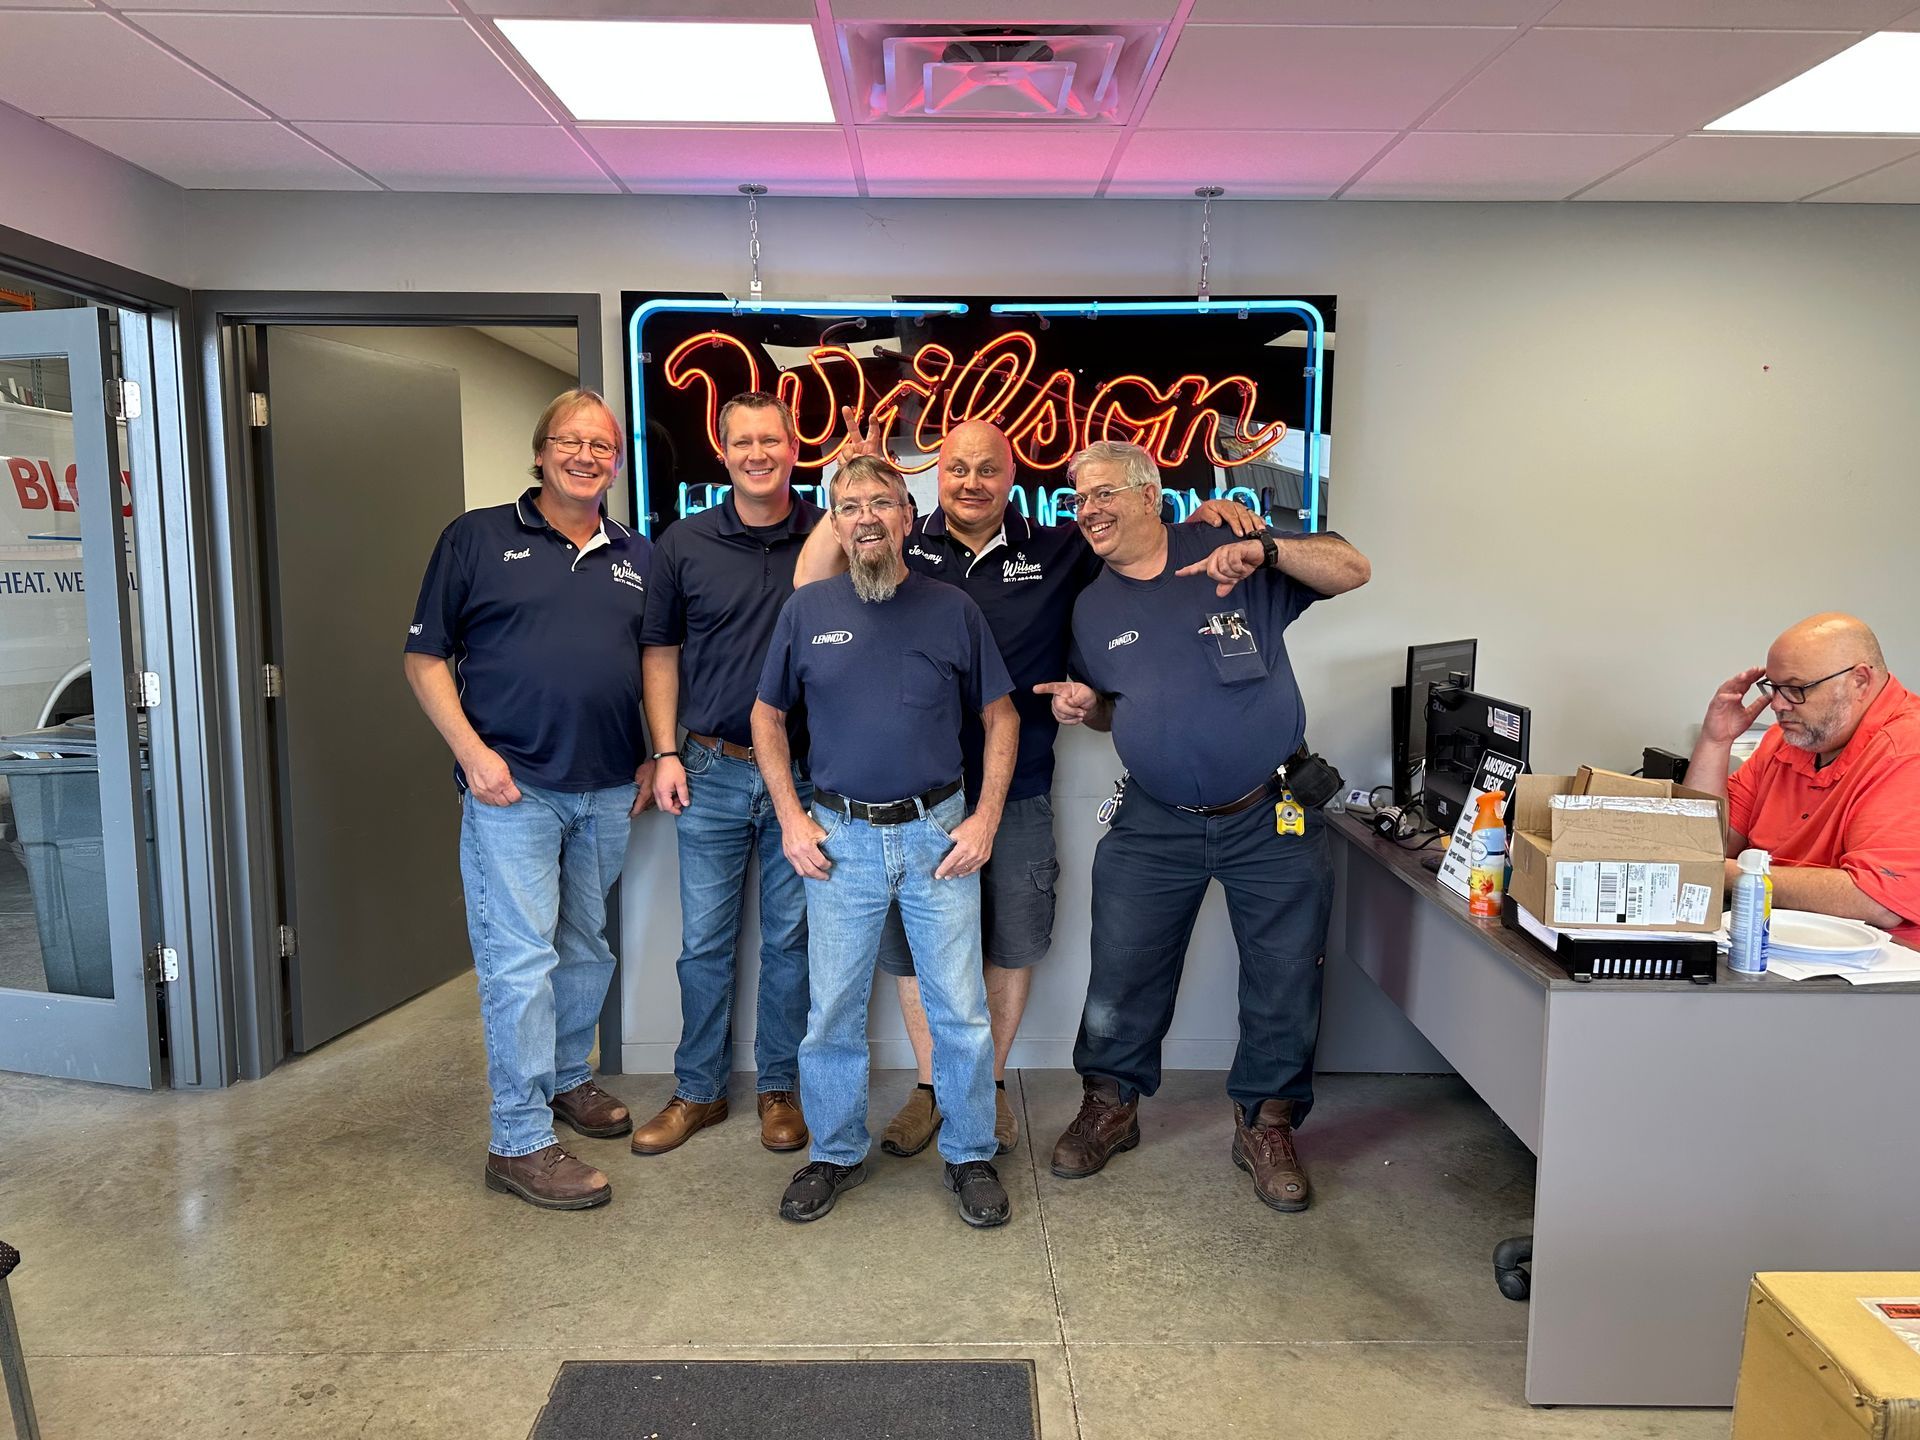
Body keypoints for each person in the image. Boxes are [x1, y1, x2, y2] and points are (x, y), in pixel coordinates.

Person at [796, 416, 1264, 1161]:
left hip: (1016, 787)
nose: (971, 483)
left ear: (1013, 479)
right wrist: (856, 483)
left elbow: (1137, 546)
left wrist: (1202, 515)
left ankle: (983, 1089)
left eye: (987, 469)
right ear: (932, 479)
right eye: (955, 469)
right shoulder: (900, 542)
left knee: (1010, 943)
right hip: (909, 797)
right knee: (916, 956)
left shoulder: (1060, 549)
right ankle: (931, 1092)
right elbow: (812, 584)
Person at [1038, 439, 1370, 1214]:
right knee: (1122, 971)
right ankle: (1111, 1104)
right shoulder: (1092, 605)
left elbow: (1353, 568)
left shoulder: (1228, 544)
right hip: (1155, 821)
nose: (1088, 509)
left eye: (1103, 494)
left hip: (1270, 812)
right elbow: (1120, 703)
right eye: (1077, 499)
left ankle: (1267, 1121)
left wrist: (1265, 547)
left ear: (1151, 492)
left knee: (1285, 975)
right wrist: (1091, 711)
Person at [751, 454, 1019, 1228]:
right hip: (842, 841)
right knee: (832, 1010)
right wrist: (793, 817)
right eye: (848, 505)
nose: (865, 516)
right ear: (833, 523)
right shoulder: (805, 610)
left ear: (908, 515)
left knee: (960, 1010)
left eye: (881, 502)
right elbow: (767, 718)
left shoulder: (952, 609)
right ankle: (833, 1152)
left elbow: (1000, 717)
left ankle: (969, 1153)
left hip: (939, 838)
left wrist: (986, 818)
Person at [403, 388, 653, 1211]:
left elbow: (653, 661)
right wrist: (473, 757)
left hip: (610, 787)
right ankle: (517, 1140)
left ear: (617, 461)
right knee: (520, 963)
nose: (587, 456)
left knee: (586, 950)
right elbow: (425, 660)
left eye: (603, 447)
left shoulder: (634, 554)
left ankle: (562, 1080)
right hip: (513, 791)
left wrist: (659, 753)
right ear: (542, 452)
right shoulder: (475, 538)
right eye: (572, 442)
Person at [632, 391, 819, 1157]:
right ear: (723, 449)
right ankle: (699, 1091)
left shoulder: (829, 530)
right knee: (702, 944)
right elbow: (661, 650)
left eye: (769, 440)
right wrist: (667, 749)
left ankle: (780, 1089)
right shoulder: (684, 542)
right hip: (707, 767)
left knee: (791, 943)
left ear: (792, 444)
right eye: (741, 441)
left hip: (806, 778)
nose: (756, 454)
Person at [1687, 613, 1920, 943]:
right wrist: (1716, 742)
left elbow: (1875, 900)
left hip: (1878, 969)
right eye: (1775, 688)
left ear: (1860, 681)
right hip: (1773, 938)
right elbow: (1700, 843)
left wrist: (1717, 872)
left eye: (1796, 689)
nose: (1779, 705)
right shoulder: (1788, 739)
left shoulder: (1907, 750)